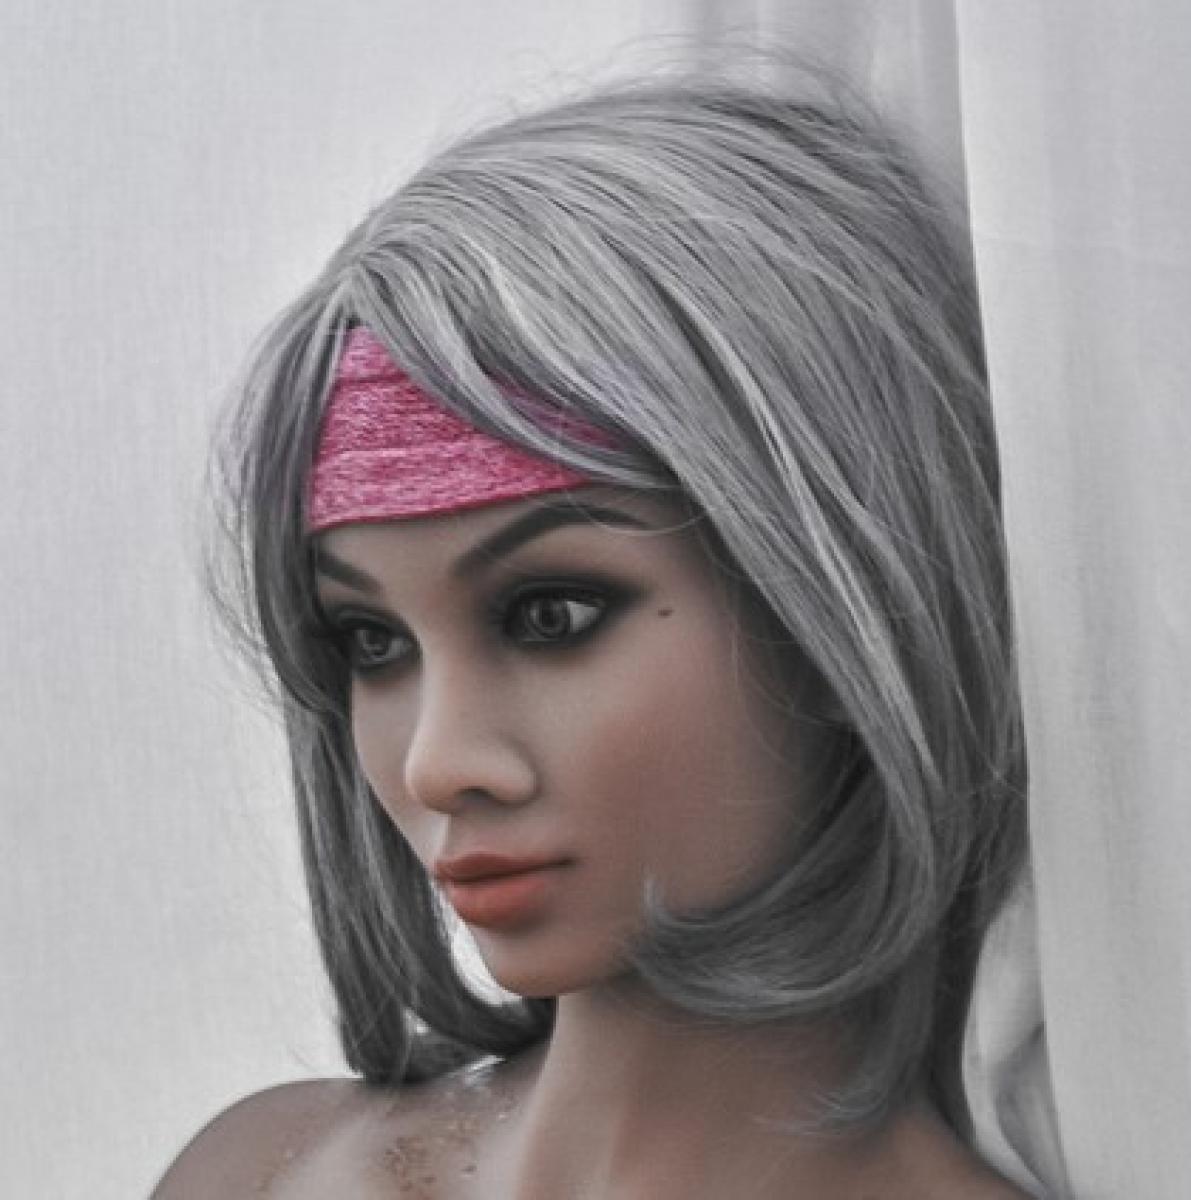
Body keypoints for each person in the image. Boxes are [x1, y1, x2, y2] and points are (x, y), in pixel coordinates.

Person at [155, 66, 1035, 1198]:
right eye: (371, 642)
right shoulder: (253, 1172)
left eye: (549, 617)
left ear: (841, 601)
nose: (436, 764)